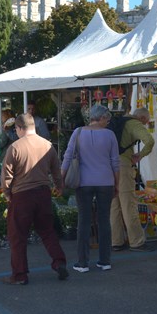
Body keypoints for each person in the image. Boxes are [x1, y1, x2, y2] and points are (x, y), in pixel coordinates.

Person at [0, 113, 68, 285]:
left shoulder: (15, 147)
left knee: (18, 236)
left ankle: (20, 274)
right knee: (47, 231)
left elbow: (6, 175)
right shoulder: (47, 145)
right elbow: (56, 169)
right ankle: (59, 261)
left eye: (16, 128)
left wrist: (7, 193)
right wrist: (59, 187)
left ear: (20, 128)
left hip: (22, 195)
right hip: (43, 192)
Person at [62, 105, 120, 272]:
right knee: (104, 220)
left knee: (84, 221)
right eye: (106, 119)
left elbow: (67, 157)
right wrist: (117, 184)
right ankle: (104, 260)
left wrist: (61, 178)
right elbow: (115, 163)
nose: (107, 122)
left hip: (84, 182)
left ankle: (82, 262)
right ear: (100, 118)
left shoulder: (78, 132)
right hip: (106, 181)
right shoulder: (110, 135)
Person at [110, 107, 154, 252]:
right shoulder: (135, 124)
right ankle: (136, 241)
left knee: (114, 205)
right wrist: (140, 155)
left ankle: (116, 241)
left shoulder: (121, 120)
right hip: (123, 165)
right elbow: (150, 141)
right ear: (142, 118)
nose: (145, 125)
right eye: (146, 122)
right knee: (129, 203)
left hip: (109, 165)